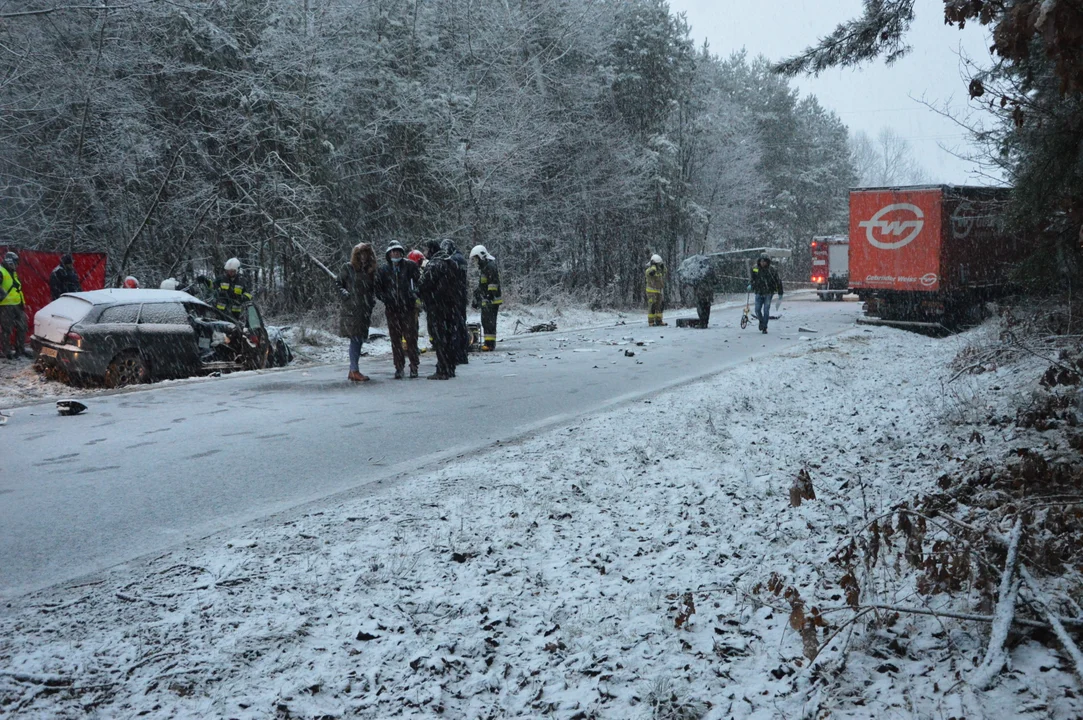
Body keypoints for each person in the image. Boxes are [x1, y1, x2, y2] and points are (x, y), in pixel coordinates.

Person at [375, 241, 421, 379]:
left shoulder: (410, 266)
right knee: (396, 340)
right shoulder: (383, 270)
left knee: (411, 338)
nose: (395, 254)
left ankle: (414, 365)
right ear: (389, 254)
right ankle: (399, 367)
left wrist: (414, 295)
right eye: (393, 252)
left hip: (408, 308)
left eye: (398, 251)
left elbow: (419, 282)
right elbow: (377, 288)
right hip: (392, 309)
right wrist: (386, 299)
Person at [418, 239, 461, 379]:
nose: (424, 253)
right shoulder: (452, 263)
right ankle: (450, 367)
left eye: (425, 250)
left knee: (439, 338)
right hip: (452, 306)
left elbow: (424, 285)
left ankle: (442, 369)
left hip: (436, 307)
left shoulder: (434, 265)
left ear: (431, 250)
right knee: (450, 336)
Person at [339, 243, 377, 382]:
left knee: (359, 339)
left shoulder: (370, 271)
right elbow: (338, 284)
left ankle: (353, 369)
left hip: (364, 310)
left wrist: (371, 301)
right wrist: (346, 295)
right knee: (355, 339)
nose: (364, 256)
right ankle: (354, 369)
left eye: (366, 253)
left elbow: (373, 289)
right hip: (352, 310)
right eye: (361, 254)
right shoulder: (348, 268)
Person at [441, 238, 470, 363]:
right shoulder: (462, 258)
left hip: (455, 295)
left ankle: (457, 353)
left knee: (455, 326)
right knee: (461, 324)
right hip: (461, 294)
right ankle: (463, 353)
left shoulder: (453, 259)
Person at [469, 245, 502, 350]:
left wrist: (489, 296)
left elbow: (493, 283)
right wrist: (477, 297)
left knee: (489, 322)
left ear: (481, 256)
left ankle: (490, 344)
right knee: (486, 321)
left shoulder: (490, 266)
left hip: (491, 300)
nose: (475, 261)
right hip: (487, 300)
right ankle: (488, 343)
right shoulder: (485, 267)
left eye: (476, 258)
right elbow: (482, 285)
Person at [0, 252, 31, 359]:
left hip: (17, 305)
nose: (17, 265)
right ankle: (6, 352)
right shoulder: (1, 271)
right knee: (7, 330)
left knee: (23, 327)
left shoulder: (13, 273)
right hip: (5, 306)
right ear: (10, 262)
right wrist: (2, 295)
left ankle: (20, 349)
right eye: (15, 263)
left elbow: (17, 289)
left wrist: (22, 302)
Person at [678, 255, 716, 328]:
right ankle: (705, 322)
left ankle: (702, 322)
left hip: (700, 293)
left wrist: (690, 283)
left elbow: (694, 283)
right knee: (707, 308)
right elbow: (715, 281)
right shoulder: (710, 270)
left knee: (701, 308)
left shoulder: (697, 272)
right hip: (709, 293)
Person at [749, 254, 784, 334]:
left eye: (764, 261)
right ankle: (761, 321)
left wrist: (780, 292)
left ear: (767, 262)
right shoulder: (755, 269)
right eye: (761, 261)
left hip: (768, 292)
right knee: (757, 309)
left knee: (766, 309)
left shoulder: (772, 270)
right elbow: (753, 278)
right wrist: (751, 284)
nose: (762, 263)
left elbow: (778, 281)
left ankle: (765, 326)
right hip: (758, 291)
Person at [645, 254, 667, 326]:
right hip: (651, 291)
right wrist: (653, 267)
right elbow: (651, 273)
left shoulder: (659, 271)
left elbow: (664, 272)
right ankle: (651, 321)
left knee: (660, 306)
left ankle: (659, 320)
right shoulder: (649, 270)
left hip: (658, 291)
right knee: (652, 306)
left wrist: (663, 267)